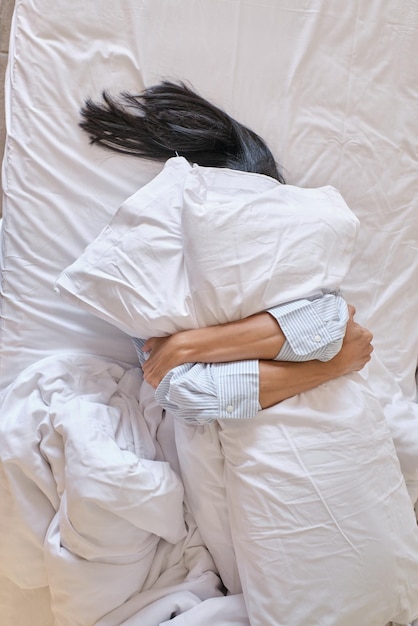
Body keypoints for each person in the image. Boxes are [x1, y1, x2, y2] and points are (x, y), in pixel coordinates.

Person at [80, 81, 373, 419]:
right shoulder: (162, 293)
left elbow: (331, 326)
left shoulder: (300, 261)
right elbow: (188, 394)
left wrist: (188, 346)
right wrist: (333, 364)